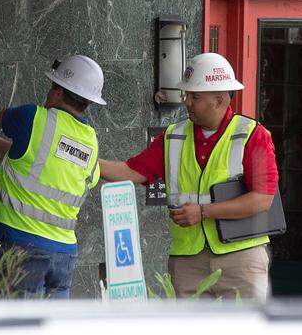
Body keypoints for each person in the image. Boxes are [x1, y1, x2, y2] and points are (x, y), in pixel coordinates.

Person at [99, 52, 278, 302]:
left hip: (241, 256)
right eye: (187, 96)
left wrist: (203, 212)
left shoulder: (253, 136)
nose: (187, 103)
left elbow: (262, 200)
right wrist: (87, 162)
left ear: (219, 100)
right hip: (187, 261)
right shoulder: (173, 137)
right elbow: (130, 172)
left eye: (195, 96)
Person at [0, 54, 105, 299]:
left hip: (24, 245)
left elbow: (3, 118)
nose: (47, 94)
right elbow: (15, 155)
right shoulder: (91, 139)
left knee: (20, 325)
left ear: (58, 92)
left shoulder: (33, 118)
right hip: (64, 253)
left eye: (51, 88)